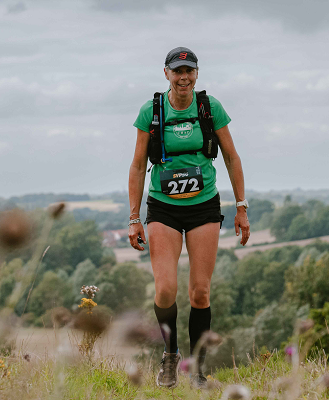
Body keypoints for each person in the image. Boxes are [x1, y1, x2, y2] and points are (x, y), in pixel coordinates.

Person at [127, 47, 250, 388]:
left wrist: (241, 207)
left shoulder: (210, 108)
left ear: (197, 73)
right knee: (165, 290)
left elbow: (232, 157)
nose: (184, 77)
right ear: (165, 73)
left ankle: (199, 370)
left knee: (200, 293)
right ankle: (170, 354)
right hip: (163, 207)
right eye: (177, 71)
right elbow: (138, 167)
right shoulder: (150, 112)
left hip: (203, 206)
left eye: (189, 71)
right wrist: (134, 218)